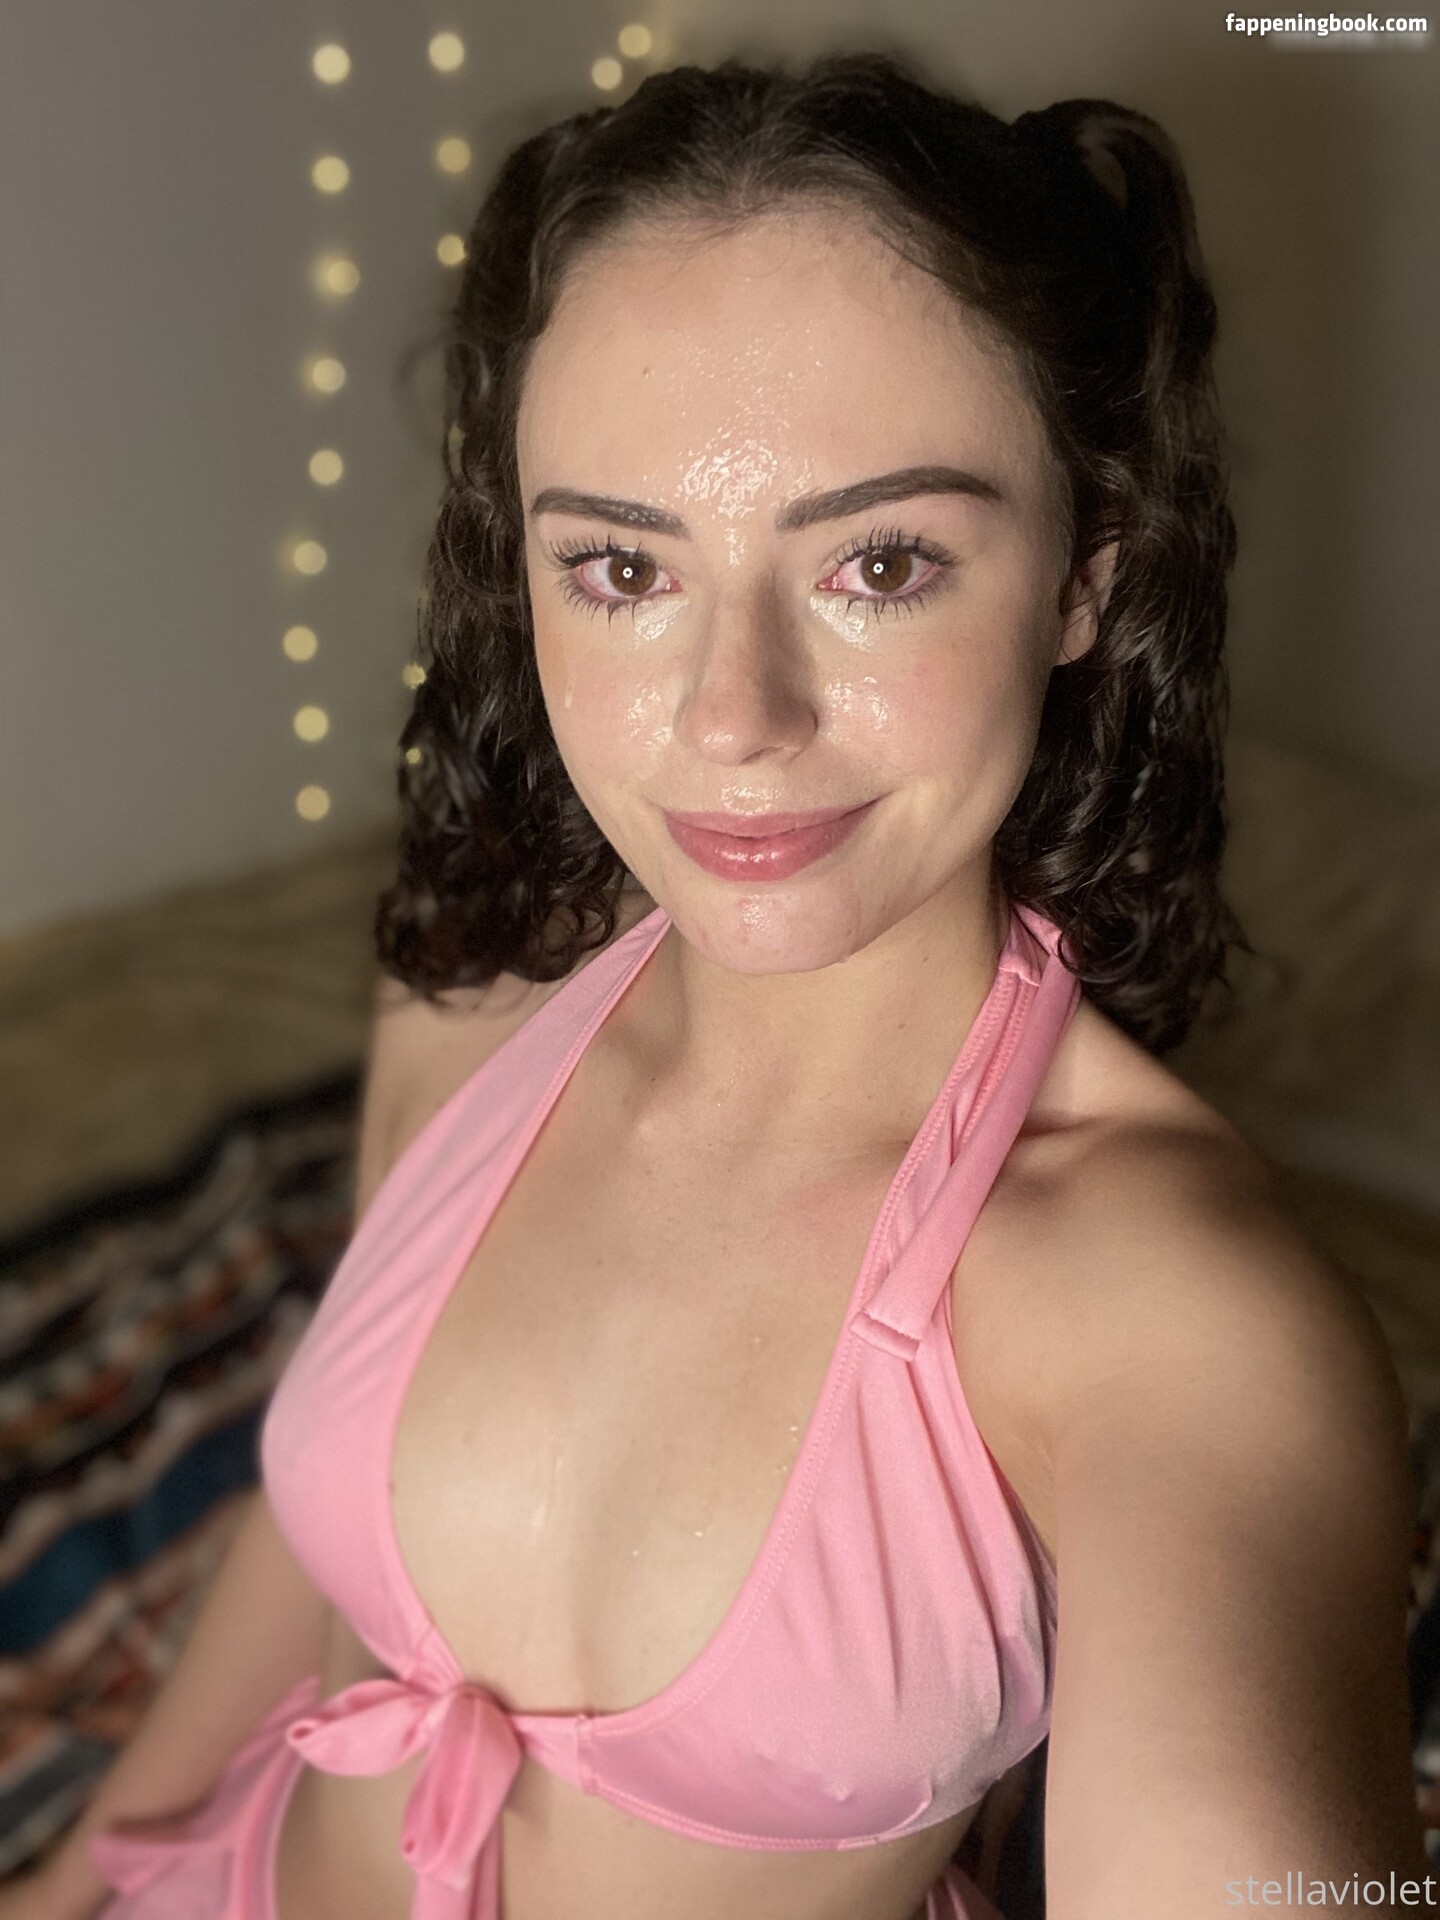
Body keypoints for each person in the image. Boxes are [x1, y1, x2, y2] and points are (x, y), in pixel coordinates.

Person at [9, 47, 1428, 1920]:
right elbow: (321, 1530)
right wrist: (74, 1882)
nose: (734, 719)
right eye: (621, 568)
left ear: (1087, 577)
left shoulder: (1169, 1317)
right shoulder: (477, 996)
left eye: (882, 564)